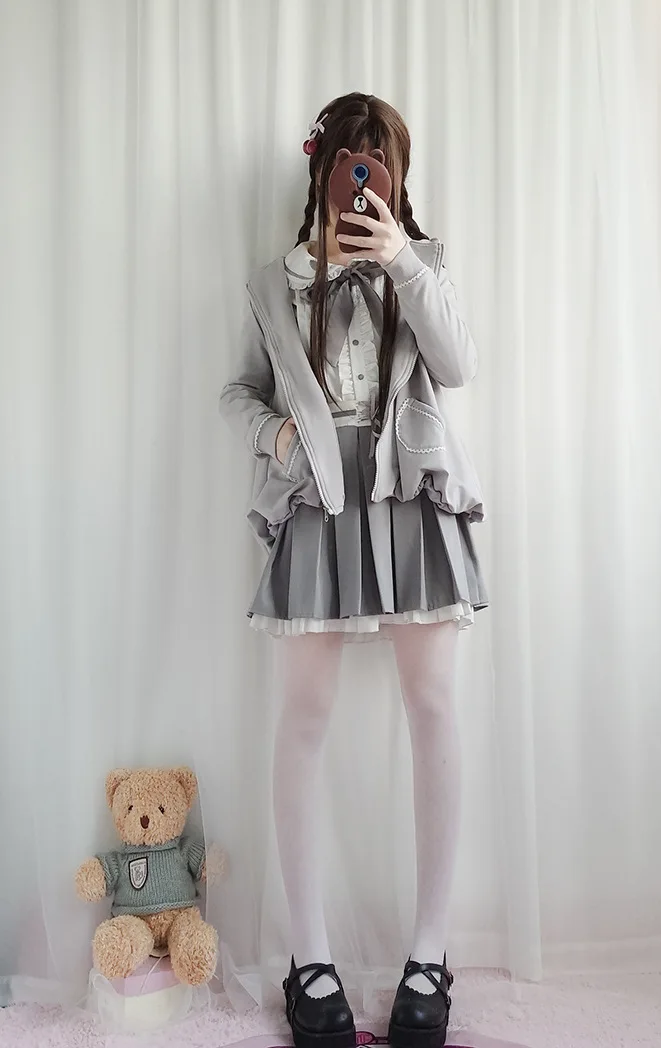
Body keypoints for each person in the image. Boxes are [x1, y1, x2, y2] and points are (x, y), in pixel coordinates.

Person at [220, 92, 487, 1048]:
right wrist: (280, 435)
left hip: (412, 490)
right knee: (304, 716)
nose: (364, 183)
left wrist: (400, 258)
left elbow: (457, 364)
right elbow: (239, 391)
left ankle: (429, 954)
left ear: (398, 177)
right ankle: (310, 959)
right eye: (350, 164)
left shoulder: (427, 265)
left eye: (379, 166)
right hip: (319, 500)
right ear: (323, 172)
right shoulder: (276, 283)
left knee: (434, 707)